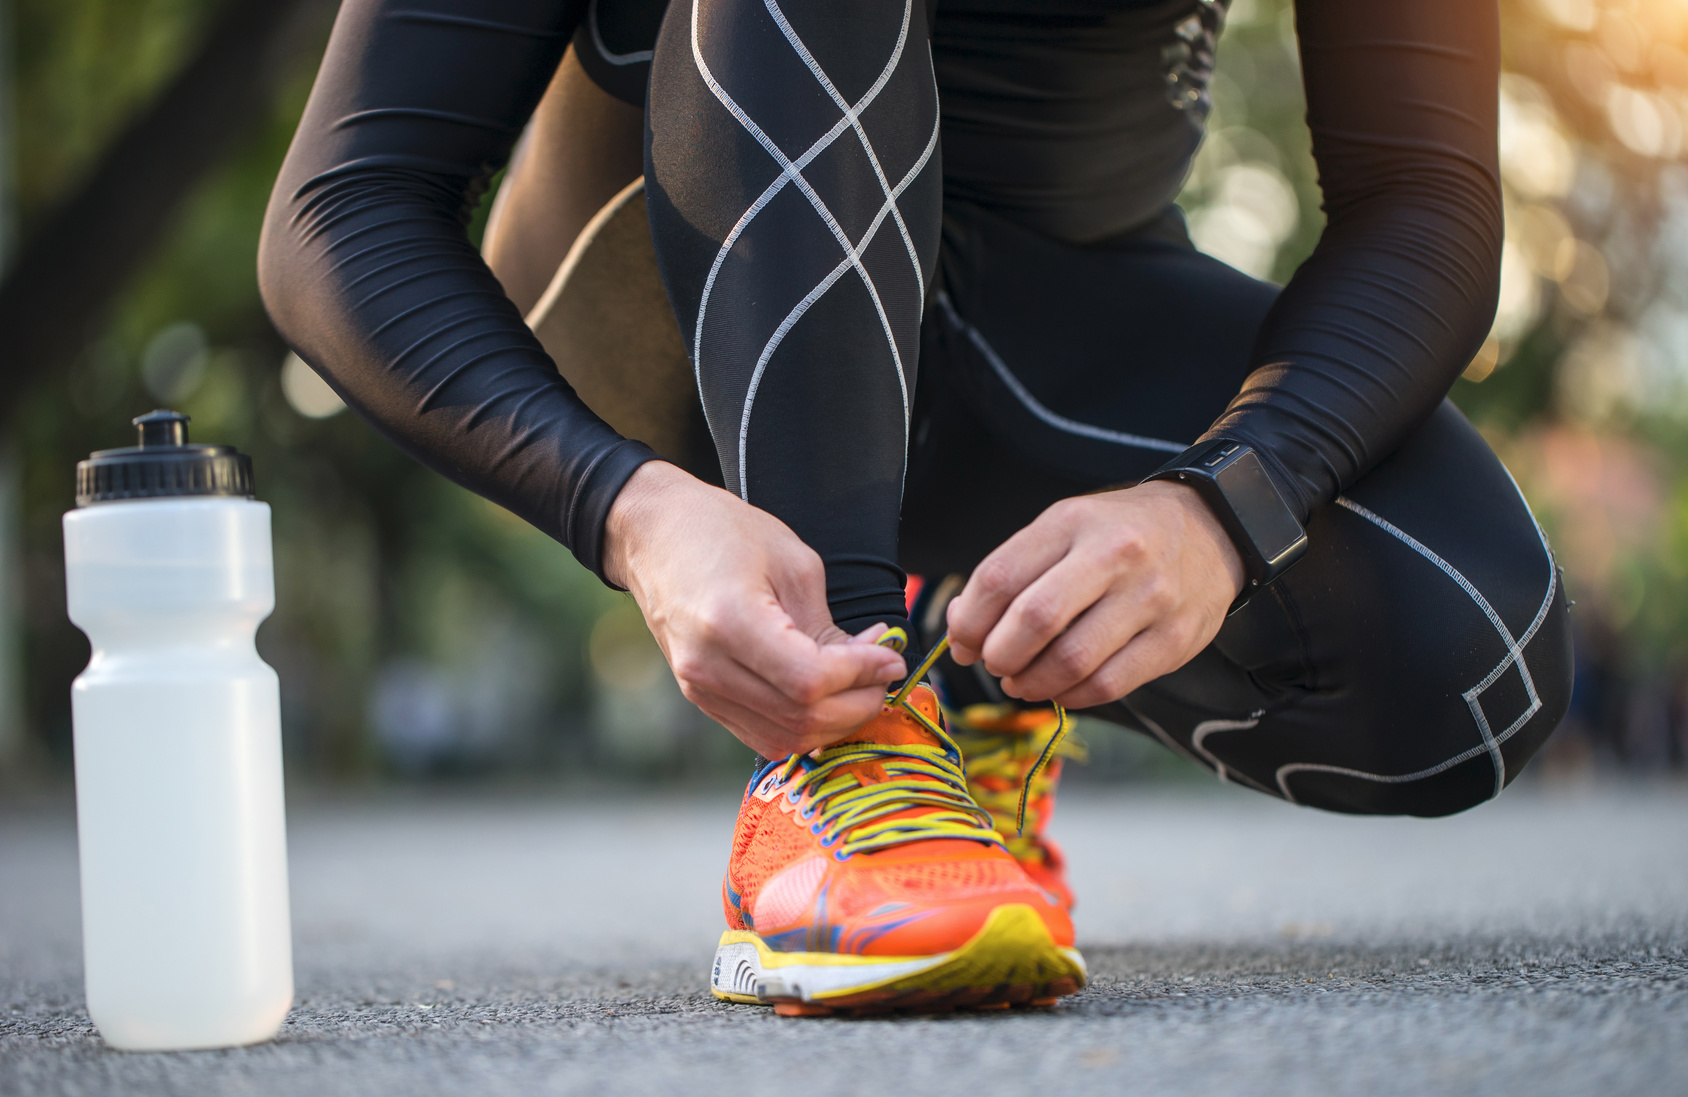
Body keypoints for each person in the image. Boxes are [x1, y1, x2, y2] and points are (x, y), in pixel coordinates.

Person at [260, 0, 1573, 1016]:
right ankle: (846, 741)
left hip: (1039, 318)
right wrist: (630, 510)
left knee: (1475, 656)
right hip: (666, 304)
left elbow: (1426, 198)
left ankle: (961, 654)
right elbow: (341, 209)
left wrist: (1222, 508)